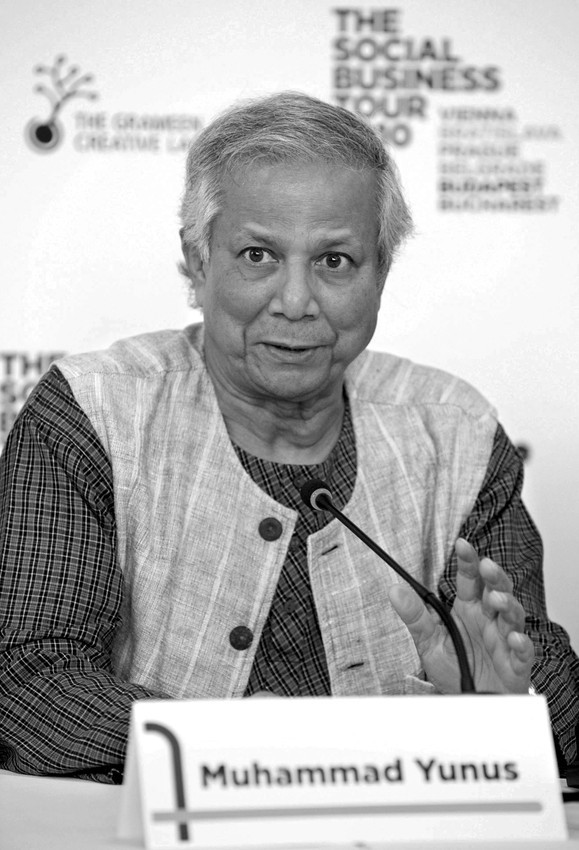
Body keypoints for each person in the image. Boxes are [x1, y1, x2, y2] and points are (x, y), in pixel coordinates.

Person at [1, 92, 578, 783]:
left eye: (335, 261)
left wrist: (498, 708)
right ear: (196, 260)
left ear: (380, 274)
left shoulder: (453, 429)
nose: (297, 301)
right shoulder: (92, 411)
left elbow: (547, 685)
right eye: (257, 255)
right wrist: (240, 752)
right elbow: (30, 680)